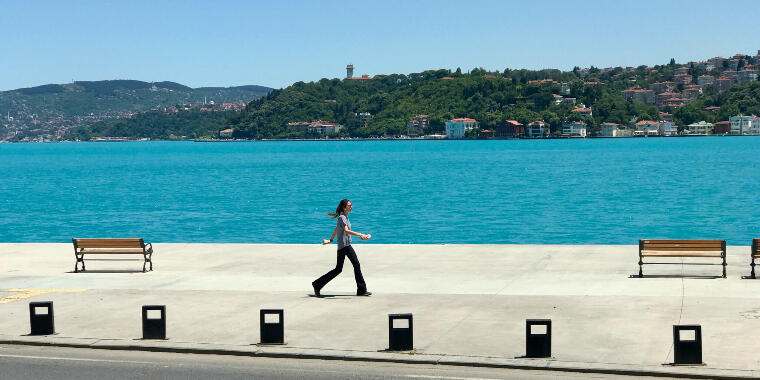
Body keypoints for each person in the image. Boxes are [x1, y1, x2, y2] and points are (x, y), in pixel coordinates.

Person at [312, 199, 372, 297]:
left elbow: (336, 229)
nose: (351, 207)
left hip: (347, 245)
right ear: (344, 207)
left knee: (354, 265)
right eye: (349, 205)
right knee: (339, 269)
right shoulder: (342, 218)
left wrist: (330, 240)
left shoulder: (345, 218)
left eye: (351, 205)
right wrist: (360, 234)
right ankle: (317, 284)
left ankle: (361, 290)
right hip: (343, 247)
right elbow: (346, 230)